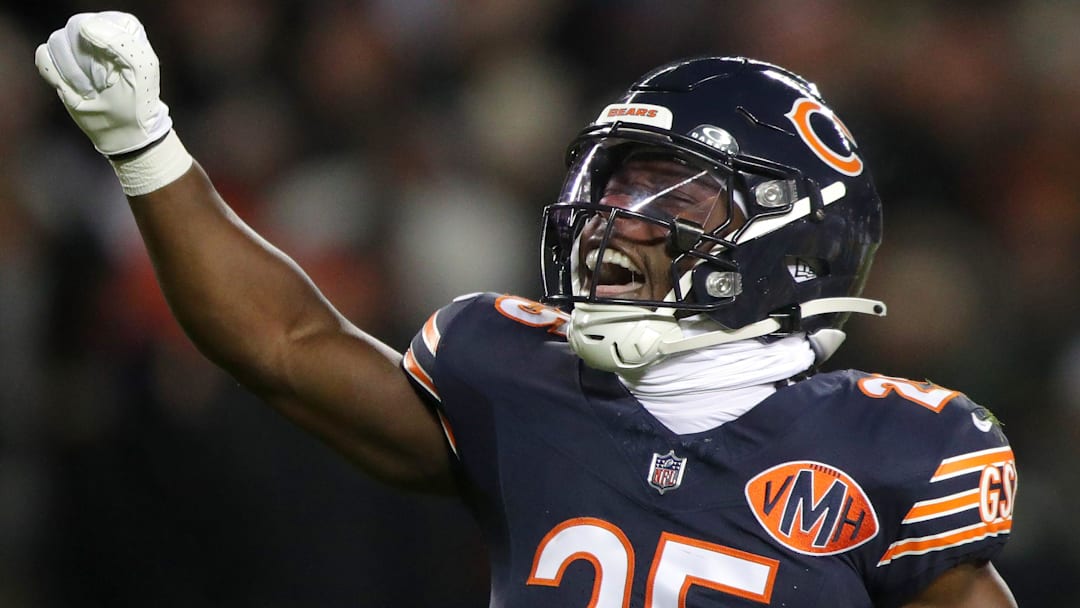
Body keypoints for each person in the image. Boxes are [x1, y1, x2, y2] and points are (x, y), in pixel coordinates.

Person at [35, 11, 1018, 608]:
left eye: (675, 194)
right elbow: (286, 344)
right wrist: (146, 145)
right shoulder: (517, 376)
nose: (615, 221)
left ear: (790, 233)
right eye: (615, 185)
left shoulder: (896, 448)